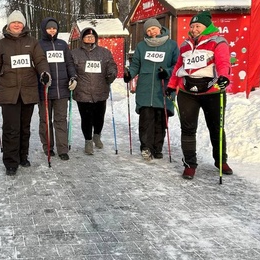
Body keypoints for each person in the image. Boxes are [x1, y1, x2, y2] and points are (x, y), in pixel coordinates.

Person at [165, 11, 232, 180]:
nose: (194, 29)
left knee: (216, 128)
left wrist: (224, 77)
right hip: (188, 92)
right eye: (192, 26)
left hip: (212, 91)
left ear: (206, 27)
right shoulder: (185, 45)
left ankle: (221, 161)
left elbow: (224, 62)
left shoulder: (218, 42)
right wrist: (171, 86)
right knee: (188, 129)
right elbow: (178, 67)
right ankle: (189, 165)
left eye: (197, 26)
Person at [0, 10, 51, 175]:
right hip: (9, 92)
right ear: (9, 25)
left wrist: (44, 73)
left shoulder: (32, 42)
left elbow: (40, 60)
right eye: (13, 22)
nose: (16, 25)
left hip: (28, 91)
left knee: (24, 127)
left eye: (19, 22)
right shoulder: (1, 44)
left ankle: (23, 156)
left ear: (24, 25)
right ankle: (10, 161)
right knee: (10, 128)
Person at [124, 18, 180, 161]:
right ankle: (146, 147)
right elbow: (136, 64)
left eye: (153, 29)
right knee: (146, 119)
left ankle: (157, 147)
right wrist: (129, 74)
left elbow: (177, 65)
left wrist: (167, 71)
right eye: (148, 31)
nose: (151, 32)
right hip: (145, 88)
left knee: (160, 120)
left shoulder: (172, 45)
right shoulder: (142, 46)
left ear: (159, 28)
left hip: (163, 87)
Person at [71, 27, 118, 155]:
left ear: (95, 38)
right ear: (82, 38)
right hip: (83, 91)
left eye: (92, 37)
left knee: (99, 117)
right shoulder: (74, 53)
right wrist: (72, 78)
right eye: (87, 36)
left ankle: (97, 135)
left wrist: (112, 74)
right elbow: (71, 68)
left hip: (100, 90)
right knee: (86, 118)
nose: (89, 39)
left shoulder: (104, 52)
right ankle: (88, 141)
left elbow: (111, 65)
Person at [37, 17, 77, 160]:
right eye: (49, 28)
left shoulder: (62, 45)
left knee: (60, 119)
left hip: (62, 90)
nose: (52, 30)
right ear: (44, 29)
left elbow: (69, 63)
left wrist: (73, 77)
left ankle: (62, 149)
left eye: (54, 28)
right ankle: (48, 146)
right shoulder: (39, 45)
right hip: (45, 90)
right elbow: (35, 65)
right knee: (45, 120)